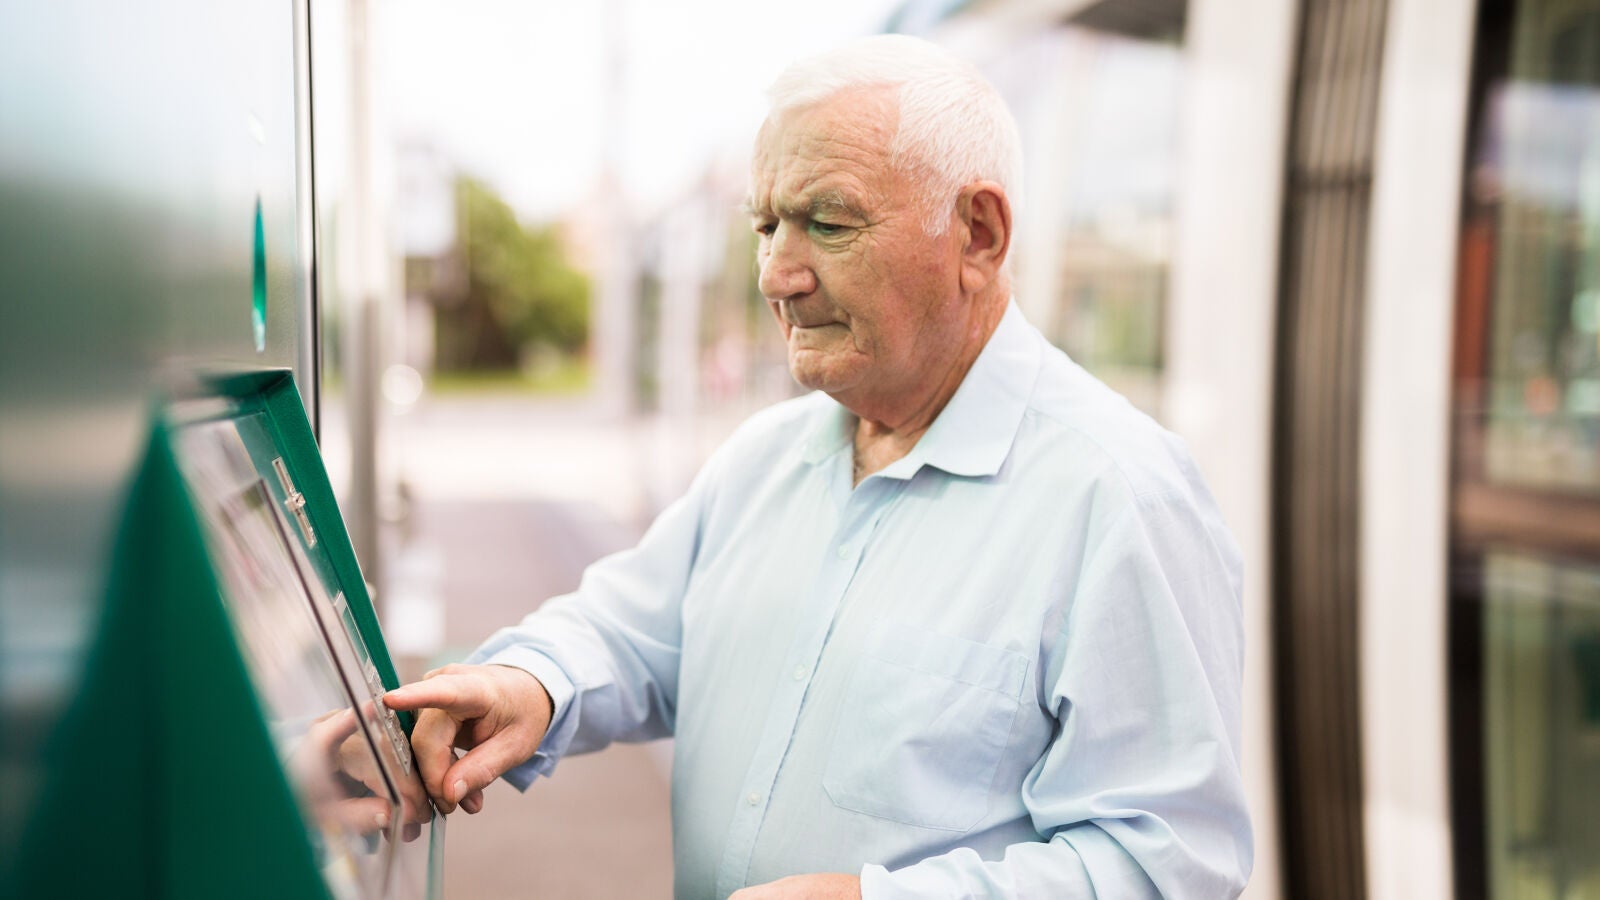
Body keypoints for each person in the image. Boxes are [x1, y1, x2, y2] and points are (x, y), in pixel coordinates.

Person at [384, 34, 1252, 899]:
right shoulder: (769, 457)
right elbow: (632, 630)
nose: (777, 274)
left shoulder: (1119, 495)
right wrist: (529, 682)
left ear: (979, 235)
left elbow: (1171, 866)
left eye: (828, 223)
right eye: (766, 226)